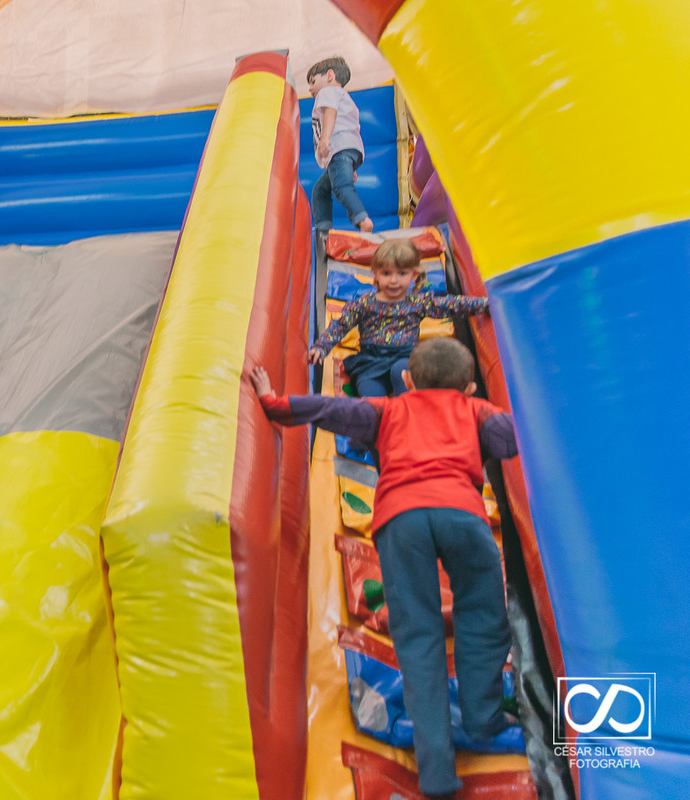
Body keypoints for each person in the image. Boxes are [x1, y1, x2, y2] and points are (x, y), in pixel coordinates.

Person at [250, 338, 517, 800]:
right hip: (463, 515)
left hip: (401, 518)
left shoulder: (387, 409)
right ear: (470, 386)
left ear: (408, 381)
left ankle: (436, 772)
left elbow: (328, 409)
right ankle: (482, 714)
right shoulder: (477, 411)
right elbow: (515, 438)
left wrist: (272, 400)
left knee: (418, 637)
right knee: (485, 615)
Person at [309, 239, 488, 398]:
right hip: (371, 361)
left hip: (405, 356)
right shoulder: (364, 304)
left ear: (414, 275)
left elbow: (450, 304)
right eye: (386, 273)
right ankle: (379, 422)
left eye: (402, 274)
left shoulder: (418, 302)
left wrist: (483, 304)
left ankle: (407, 411)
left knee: (401, 371)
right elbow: (339, 326)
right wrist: (321, 347)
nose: (394, 280)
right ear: (375, 274)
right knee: (370, 396)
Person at [308, 56, 373, 233]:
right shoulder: (346, 98)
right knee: (320, 190)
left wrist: (325, 138)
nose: (310, 88)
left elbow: (331, 112)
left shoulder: (327, 92)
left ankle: (362, 219)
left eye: (313, 81)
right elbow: (349, 126)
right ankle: (323, 231)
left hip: (339, 148)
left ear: (329, 75)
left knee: (342, 186)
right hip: (350, 151)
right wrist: (351, 167)